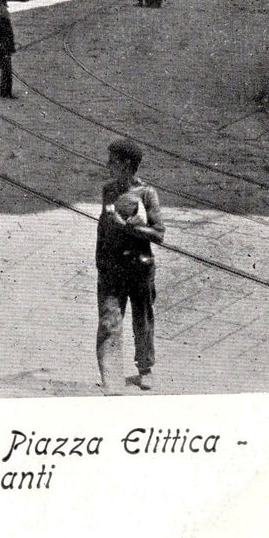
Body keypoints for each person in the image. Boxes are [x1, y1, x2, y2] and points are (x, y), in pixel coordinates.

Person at [96, 139, 165, 394]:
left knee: (142, 319)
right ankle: (111, 380)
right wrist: (100, 262)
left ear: (127, 166)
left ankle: (145, 368)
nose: (108, 167)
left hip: (139, 267)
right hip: (111, 267)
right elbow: (103, 227)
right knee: (108, 321)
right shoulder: (108, 191)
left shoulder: (147, 194)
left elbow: (159, 234)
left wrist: (130, 228)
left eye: (113, 163)